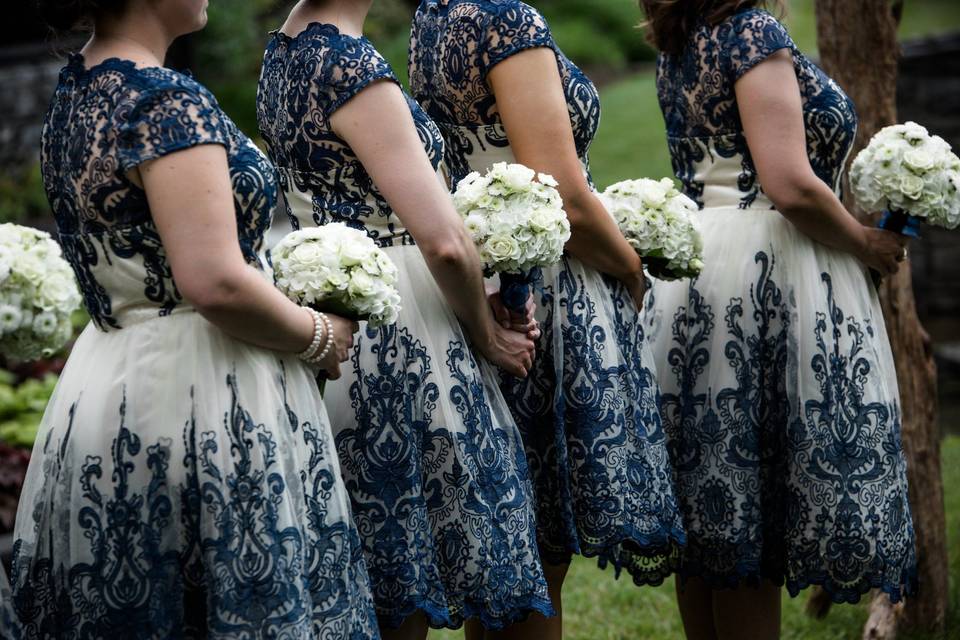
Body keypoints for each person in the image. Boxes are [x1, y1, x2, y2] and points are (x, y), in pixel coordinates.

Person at [7, 0, 379, 637]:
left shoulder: (80, 89)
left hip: (107, 383)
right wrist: (318, 336)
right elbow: (214, 282)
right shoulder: (163, 101)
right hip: (206, 393)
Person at [257, 1, 553, 638]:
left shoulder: (282, 53)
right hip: (405, 334)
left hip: (335, 317)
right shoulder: (352, 66)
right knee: (447, 581)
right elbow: (443, 240)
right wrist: (488, 332)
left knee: (384, 574)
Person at [638, 1, 917, 638]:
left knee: (713, 524)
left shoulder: (681, 40)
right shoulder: (751, 33)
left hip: (695, 270)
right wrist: (861, 241)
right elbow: (788, 184)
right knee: (750, 532)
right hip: (765, 277)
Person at [409, 1, 686, 637]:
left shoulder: (436, 17)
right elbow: (560, 190)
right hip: (544, 294)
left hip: (488, 285)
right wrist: (629, 266)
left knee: (512, 560)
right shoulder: (507, 19)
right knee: (539, 560)